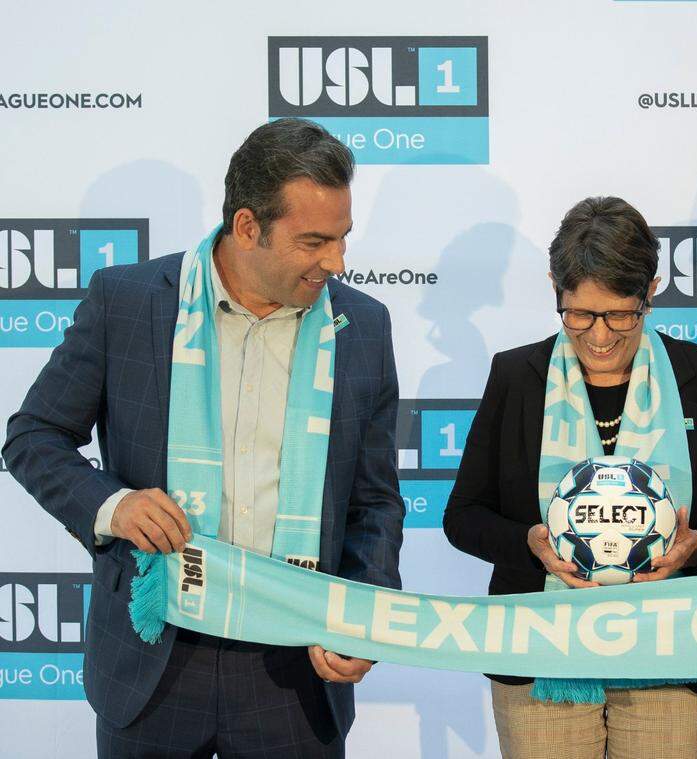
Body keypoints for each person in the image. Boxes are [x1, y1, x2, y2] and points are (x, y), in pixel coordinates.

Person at [3, 118, 405, 757]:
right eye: (313, 242)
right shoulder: (129, 302)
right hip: (153, 657)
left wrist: (364, 612)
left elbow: (375, 501)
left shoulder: (364, 326)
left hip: (295, 670)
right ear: (248, 227)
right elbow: (33, 436)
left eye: (342, 238)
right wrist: (115, 506)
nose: (336, 261)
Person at [443, 196, 697, 759]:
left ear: (651, 290)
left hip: (674, 655)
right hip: (540, 659)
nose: (599, 335)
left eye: (619, 314)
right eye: (578, 314)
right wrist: (529, 544)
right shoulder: (516, 376)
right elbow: (462, 517)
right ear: (555, 291)